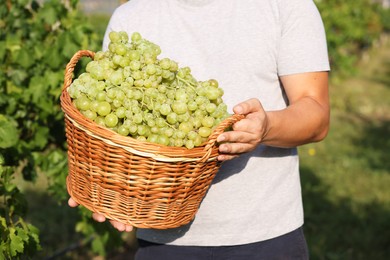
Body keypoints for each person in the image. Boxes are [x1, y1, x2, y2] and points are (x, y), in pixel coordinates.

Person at [69, 0, 330, 259]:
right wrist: (107, 188)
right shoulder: (131, 16)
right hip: (163, 239)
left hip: (265, 236)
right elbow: (113, 130)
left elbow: (316, 116)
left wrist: (266, 127)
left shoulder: (285, 6)